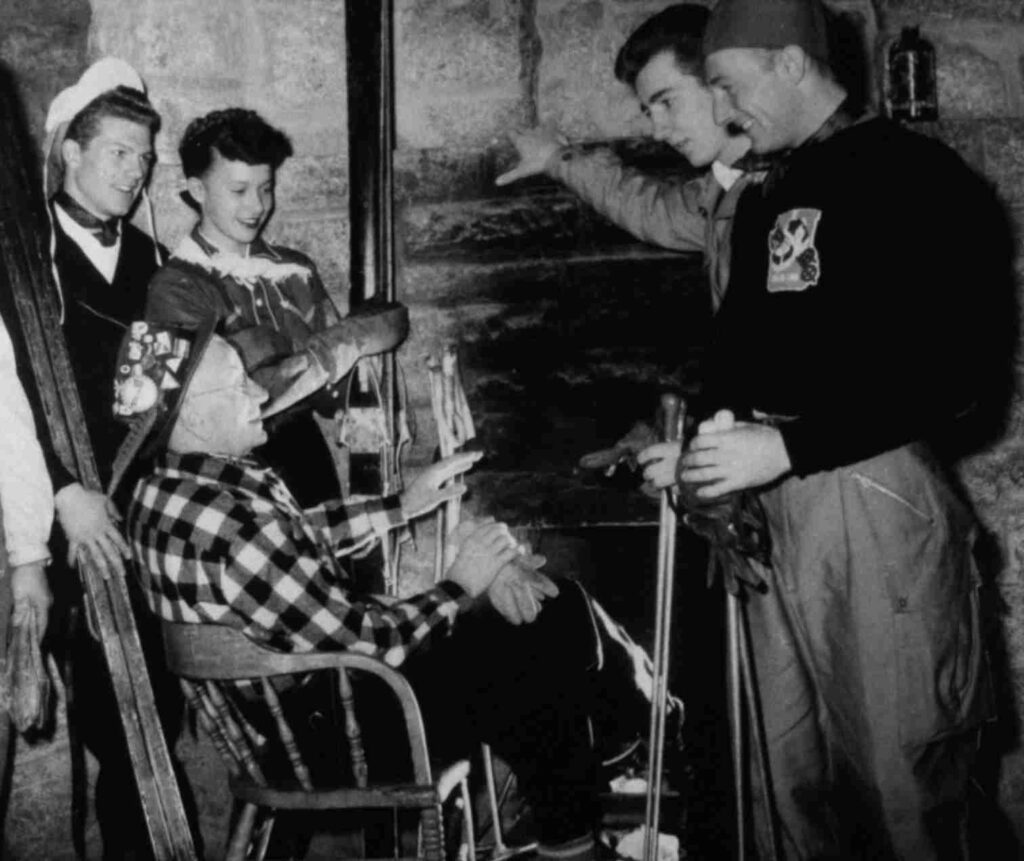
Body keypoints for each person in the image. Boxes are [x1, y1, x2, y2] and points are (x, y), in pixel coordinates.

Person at [641, 0, 1009, 857]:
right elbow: (741, 352)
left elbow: (960, 380)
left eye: (729, 84)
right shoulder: (777, 189)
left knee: (900, 778)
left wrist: (791, 446)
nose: (725, 110)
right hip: (778, 511)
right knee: (787, 778)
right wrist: (701, 444)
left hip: (874, 500)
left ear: (792, 64)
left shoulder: (916, 176)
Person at [112, 320, 683, 861]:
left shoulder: (171, 490)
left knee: (533, 643)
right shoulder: (233, 522)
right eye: (237, 386)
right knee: (544, 628)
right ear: (191, 417)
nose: (259, 395)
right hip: (338, 735)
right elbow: (366, 642)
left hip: (299, 721)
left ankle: (597, 791)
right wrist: (460, 584)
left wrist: (402, 505)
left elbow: (293, 540)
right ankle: (644, 738)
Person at [145, 108, 404, 508]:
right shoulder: (173, 287)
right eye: (238, 190)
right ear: (197, 189)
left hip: (304, 458)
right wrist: (339, 344)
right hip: (224, 480)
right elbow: (205, 410)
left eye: (266, 188)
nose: (256, 206)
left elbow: (333, 394)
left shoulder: (293, 269)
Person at [497, 3, 755, 315]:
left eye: (668, 103)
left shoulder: (785, 186)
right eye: (649, 112)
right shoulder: (725, 185)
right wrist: (556, 158)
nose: (658, 132)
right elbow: (656, 211)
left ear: (719, 84)